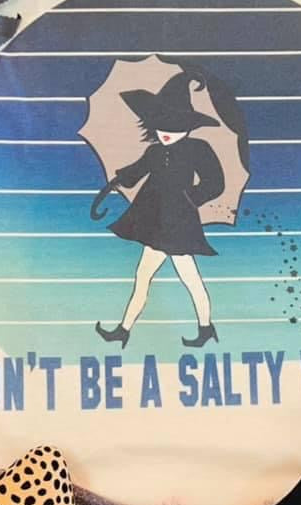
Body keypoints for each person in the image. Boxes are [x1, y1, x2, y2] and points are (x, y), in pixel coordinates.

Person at [91, 72, 225, 348]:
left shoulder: (198, 149)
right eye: (160, 123)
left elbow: (216, 183)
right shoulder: (154, 151)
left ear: (188, 126)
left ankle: (203, 327)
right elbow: (137, 171)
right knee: (147, 276)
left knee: (187, 278)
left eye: (174, 125)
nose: (166, 131)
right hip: (155, 221)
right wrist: (119, 180)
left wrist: (189, 199)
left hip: (178, 223)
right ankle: (126, 330)